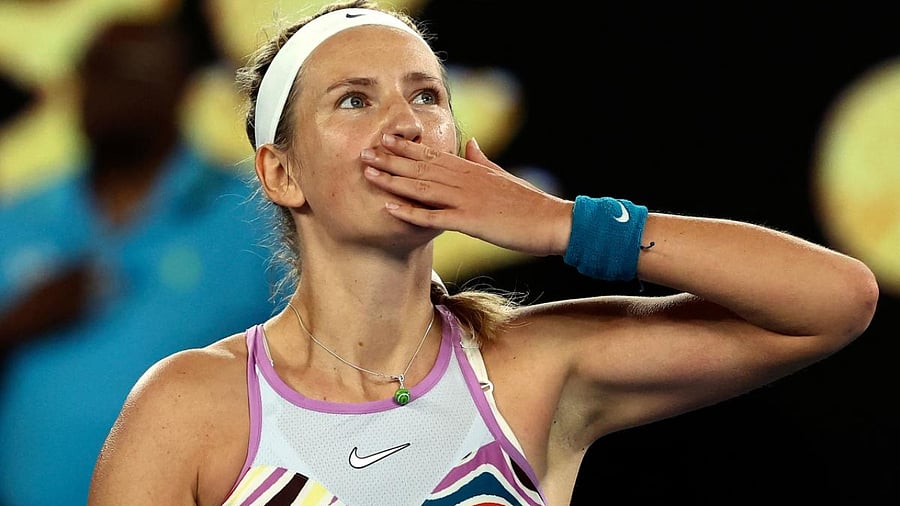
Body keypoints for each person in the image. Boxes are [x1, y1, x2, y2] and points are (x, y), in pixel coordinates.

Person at [87, 1, 879, 504]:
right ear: (282, 172)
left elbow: (834, 301)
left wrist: (564, 225)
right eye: (354, 99)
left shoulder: (532, 369)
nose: (403, 123)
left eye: (424, 95)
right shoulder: (189, 407)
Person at [0, 16, 275, 505]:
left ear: (183, 88)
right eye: (94, 71)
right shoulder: (17, 217)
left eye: (131, 72)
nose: (105, 91)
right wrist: (11, 327)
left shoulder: (254, 224)